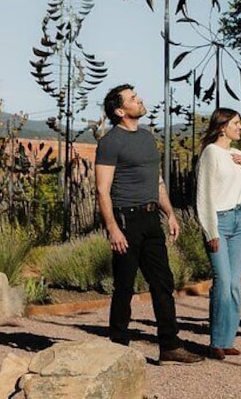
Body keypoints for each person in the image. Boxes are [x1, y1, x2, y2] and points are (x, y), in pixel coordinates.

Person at [95, 84, 203, 365]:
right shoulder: (110, 142)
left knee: (163, 283)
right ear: (120, 110)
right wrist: (112, 228)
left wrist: (170, 213)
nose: (140, 100)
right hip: (125, 219)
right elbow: (102, 190)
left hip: (151, 217)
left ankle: (169, 346)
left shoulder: (146, 137)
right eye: (133, 98)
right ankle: (117, 348)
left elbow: (157, 181)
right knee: (124, 286)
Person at [195, 108, 241, 359]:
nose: (240, 127)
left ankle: (228, 338)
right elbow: (204, 194)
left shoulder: (237, 154)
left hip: (240, 218)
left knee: (234, 283)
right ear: (222, 127)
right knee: (222, 282)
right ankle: (216, 341)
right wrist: (210, 229)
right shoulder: (211, 153)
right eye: (236, 123)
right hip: (219, 221)